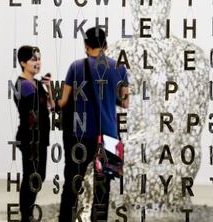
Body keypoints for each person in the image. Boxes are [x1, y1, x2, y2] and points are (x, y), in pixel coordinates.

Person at [57, 27, 129, 222]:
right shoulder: (119, 68)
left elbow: (63, 101)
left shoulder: (76, 67)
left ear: (86, 46)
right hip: (108, 136)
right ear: (105, 45)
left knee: (72, 184)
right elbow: (125, 102)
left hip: (79, 135)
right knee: (102, 188)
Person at [13, 45, 54, 222]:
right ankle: (26, 214)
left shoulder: (37, 83)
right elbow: (34, 108)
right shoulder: (22, 85)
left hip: (41, 138)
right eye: (33, 59)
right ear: (23, 62)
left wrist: (49, 89)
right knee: (31, 176)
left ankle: (27, 211)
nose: (37, 63)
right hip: (29, 138)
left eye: (38, 58)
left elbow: (51, 107)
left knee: (39, 175)